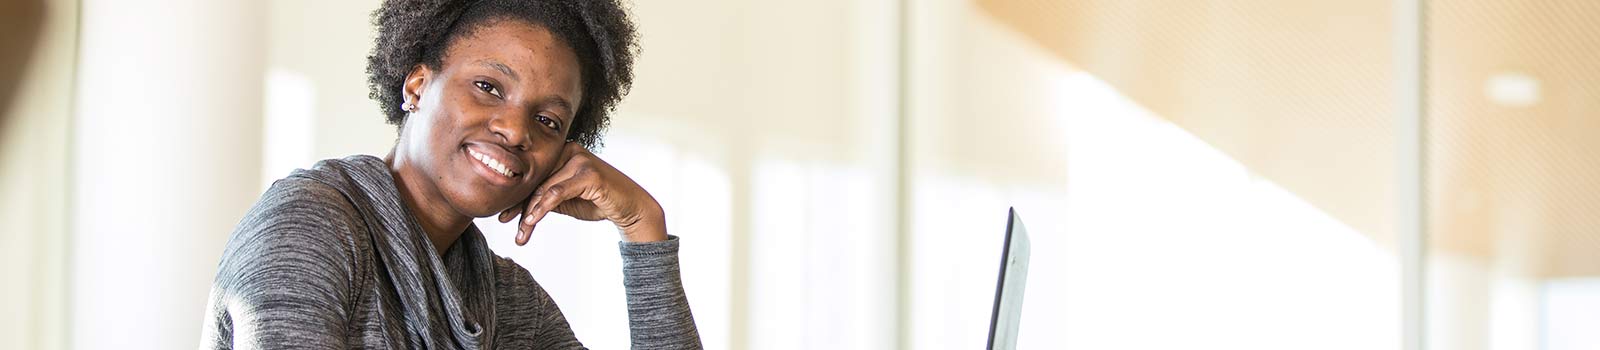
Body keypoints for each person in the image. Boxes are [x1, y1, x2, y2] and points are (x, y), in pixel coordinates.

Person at [200, 0, 701, 348]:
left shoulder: (506, 302)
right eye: (488, 86)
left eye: (547, 120)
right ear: (417, 86)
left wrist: (642, 226)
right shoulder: (310, 228)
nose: (514, 129)